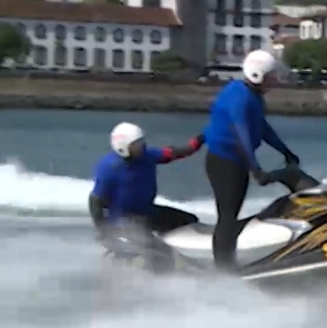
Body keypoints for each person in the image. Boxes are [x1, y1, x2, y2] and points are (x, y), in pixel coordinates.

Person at [202, 49, 300, 272]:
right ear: (258, 76)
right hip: (223, 163)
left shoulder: (253, 95)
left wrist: (285, 151)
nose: (276, 80)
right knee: (227, 215)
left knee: (232, 212)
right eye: (272, 76)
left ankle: (229, 259)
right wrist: (255, 168)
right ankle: (223, 270)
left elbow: (261, 128)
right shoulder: (240, 97)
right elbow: (242, 135)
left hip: (237, 161)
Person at [88, 122, 204, 271]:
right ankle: (156, 276)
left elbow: (172, 153)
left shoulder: (147, 155)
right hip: (123, 220)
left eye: (142, 141)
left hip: (147, 212)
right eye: (136, 144)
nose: (142, 146)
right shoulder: (109, 167)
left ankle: (188, 259)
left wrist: (197, 142)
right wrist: (103, 231)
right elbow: (95, 201)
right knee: (158, 251)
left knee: (190, 221)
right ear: (123, 147)